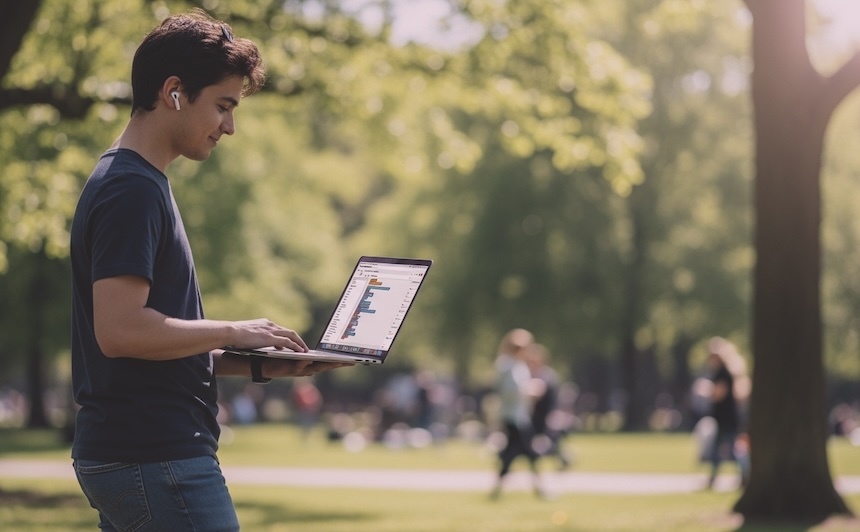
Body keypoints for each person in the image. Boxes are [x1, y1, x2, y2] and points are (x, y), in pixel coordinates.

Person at [69, 11, 350, 531]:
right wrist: (234, 328)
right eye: (223, 106)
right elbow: (120, 330)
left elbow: (151, 343)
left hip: (142, 455)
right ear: (174, 91)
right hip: (157, 457)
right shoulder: (130, 189)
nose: (230, 126)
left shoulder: (140, 182)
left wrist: (262, 364)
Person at [490, 328, 548, 499]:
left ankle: (497, 490)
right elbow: (510, 390)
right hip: (513, 416)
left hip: (519, 415)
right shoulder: (506, 365)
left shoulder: (516, 365)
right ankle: (540, 489)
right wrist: (530, 390)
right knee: (528, 452)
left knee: (511, 454)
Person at [702, 336, 750, 489]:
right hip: (727, 418)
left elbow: (720, 393)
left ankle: (742, 474)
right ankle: (741, 475)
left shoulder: (722, 373)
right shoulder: (726, 372)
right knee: (728, 448)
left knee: (727, 449)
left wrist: (706, 391)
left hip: (725, 418)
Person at [525, 343, 572, 470]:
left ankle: (563, 457)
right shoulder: (528, 374)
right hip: (534, 416)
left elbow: (542, 395)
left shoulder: (547, 375)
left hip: (546, 414)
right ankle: (562, 458)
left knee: (546, 441)